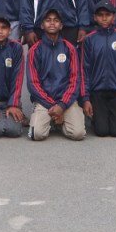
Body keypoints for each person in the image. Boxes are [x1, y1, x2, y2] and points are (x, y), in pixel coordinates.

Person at [26, 8, 86, 141]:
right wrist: (52, 105)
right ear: (42, 25)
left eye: (56, 20)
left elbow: (75, 80)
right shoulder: (35, 50)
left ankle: (59, 123)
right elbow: (32, 83)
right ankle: (49, 117)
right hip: (43, 101)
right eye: (48, 20)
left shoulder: (70, 48)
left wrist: (62, 105)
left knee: (78, 134)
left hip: (66, 100)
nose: (52, 23)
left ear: (61, 25)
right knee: (37, 135)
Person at [79, 0, 116, 137]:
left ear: (114, 17)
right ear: (95, 17)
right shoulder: (89, 39)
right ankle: (97, 118)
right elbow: (84, 70)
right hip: (97, 91)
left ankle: (113, 117)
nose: (104, 18)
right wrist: (86, 99)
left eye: (108, 15)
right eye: (100, 15)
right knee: (101, 131)